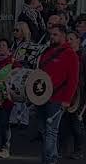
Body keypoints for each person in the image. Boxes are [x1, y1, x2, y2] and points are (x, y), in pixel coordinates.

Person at [37, 24, 79, 164]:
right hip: (42, 96)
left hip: (57, 98)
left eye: (55, 34)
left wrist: (67, 100)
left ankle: (50, 160)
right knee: (44, 131)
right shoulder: (47, 51)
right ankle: (47, 159)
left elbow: (73, 80)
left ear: (63, 36)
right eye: (51, 34)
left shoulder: (70, 54)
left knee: (51, 132)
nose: (52, 37)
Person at [58, 31, 85, 160]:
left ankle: (79, 150)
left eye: (72, 39)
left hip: (79, 94)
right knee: (64, 123)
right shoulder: (65, 54)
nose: (69, 41)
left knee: (76, 123)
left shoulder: (83, 55)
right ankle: (64, 149)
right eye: (67, 39)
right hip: (65, 93)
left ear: (78, 41)